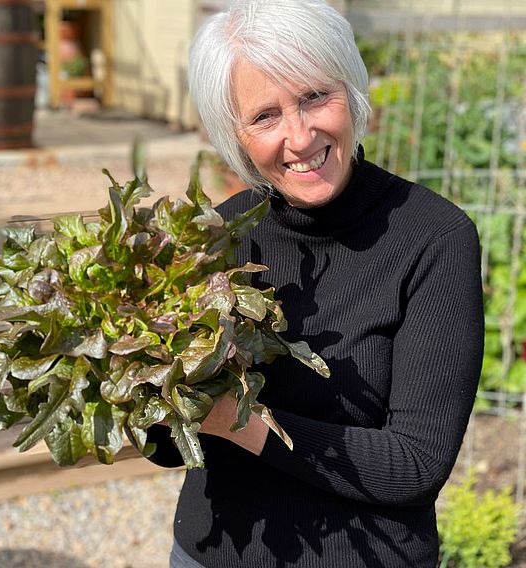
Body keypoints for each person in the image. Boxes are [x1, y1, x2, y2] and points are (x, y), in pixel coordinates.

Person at [146, 1, 485, 566]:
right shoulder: (218, 239)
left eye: (313, 97)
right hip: (212, 553)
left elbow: (415, 465)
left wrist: (241, 421)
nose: (300, 137)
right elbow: (166, 448)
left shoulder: (435, 238)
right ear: (235, 136)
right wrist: (140, 378)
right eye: (265, 117)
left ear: (350, 91)